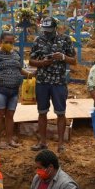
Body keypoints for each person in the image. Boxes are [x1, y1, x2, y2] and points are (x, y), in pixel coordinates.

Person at [29, 17, 76, 152]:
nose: (47, 33)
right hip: (42, 81)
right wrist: (42, 63)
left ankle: (60, 144)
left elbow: (73, 60)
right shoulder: (38, 40)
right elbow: (31, 61)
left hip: (58, 81)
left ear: (55, 28)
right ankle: (42, 142)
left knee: (60, 113)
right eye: (45, 30)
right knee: (42, 112)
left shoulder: (65, 39)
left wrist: (62, 57)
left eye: (49, 30)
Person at [0, 31, 26, 148]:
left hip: (13, 90)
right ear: (0, 42)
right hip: (0, 90)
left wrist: (30, 74)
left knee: (10, 115)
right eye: (6, 42)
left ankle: (9, 140)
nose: (9, 44)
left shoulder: (16, 54)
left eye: (11, 42)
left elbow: (19, 69)